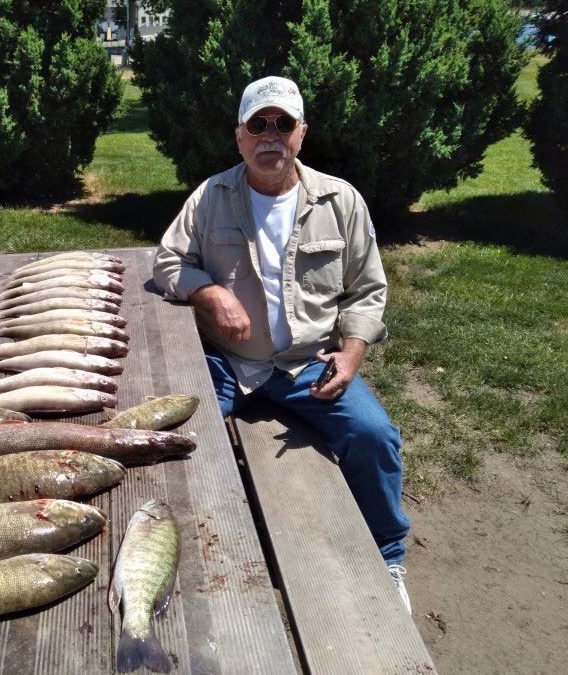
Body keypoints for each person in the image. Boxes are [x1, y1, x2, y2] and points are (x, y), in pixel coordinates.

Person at [152, 76, 412, 613]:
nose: (270, 135)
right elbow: (167, 262)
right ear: (240, 137)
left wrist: (351, 353)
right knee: (180, 435)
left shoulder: (341, 201)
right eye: (258, 124)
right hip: (230, 363)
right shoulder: (210, 197)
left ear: (301, 134)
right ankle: (185, 552)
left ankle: (388, 557)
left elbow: (368, 289)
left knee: (375, 436)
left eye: (283, 124)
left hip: (307, 364)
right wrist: (210, 293)